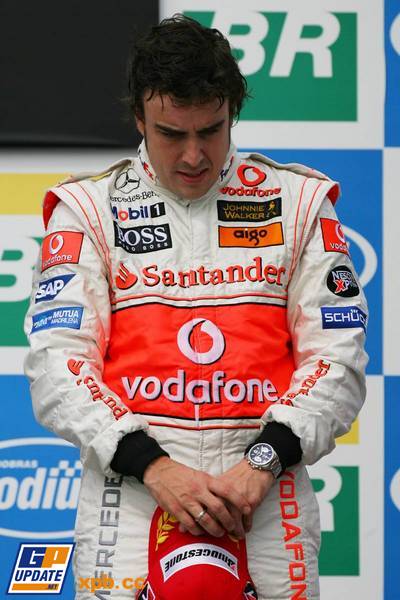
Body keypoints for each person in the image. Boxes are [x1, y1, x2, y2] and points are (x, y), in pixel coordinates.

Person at [24, 14, 368, 600]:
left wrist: (262, 461)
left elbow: (338, 358)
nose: (192, 155)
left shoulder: (297, 202)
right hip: (130, 496)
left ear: (233, 113)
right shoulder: (87, 210)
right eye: (170, 133)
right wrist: (153, 466)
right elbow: (57, 366)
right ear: (139, 118)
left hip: (263, 494)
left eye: (211, 131)